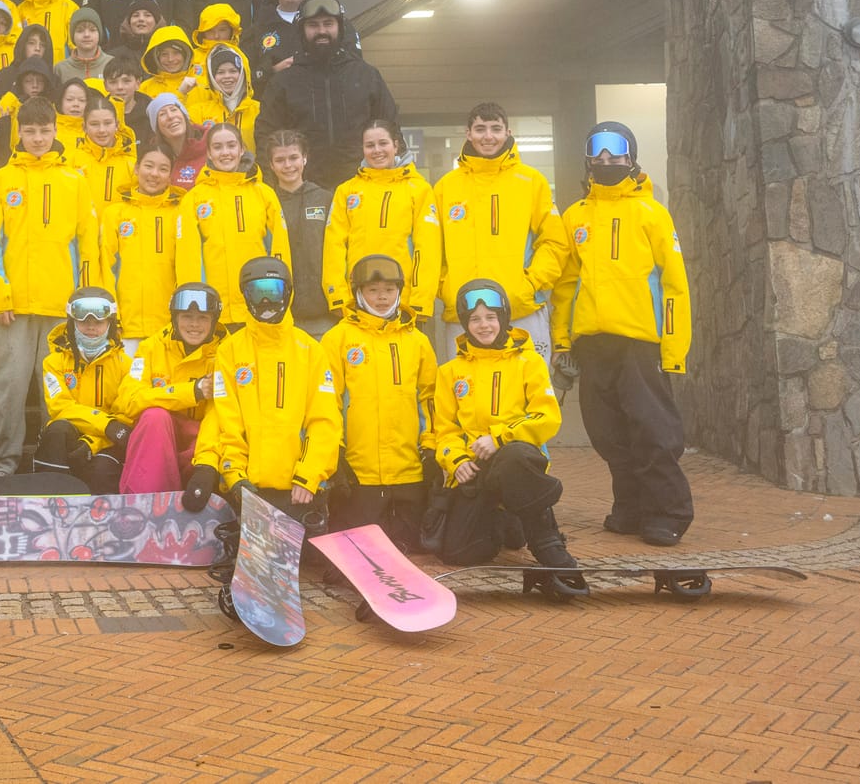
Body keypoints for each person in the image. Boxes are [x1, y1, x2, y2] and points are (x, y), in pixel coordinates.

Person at [550, 122, 694, 547]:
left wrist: (673, 348)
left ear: (631, 160)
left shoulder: (651, 213)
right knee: (608, 432)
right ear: (589, 161)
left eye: (617, 156)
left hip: (640, 342)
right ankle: (630, 507)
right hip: (593, 342)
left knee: (652, 429)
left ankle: (668, 512)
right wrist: (562, 342)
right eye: (600, 156)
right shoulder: (575, 217)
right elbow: (564, 287)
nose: (608, 163)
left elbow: (675, 285)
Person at [426, 278, 586, 595]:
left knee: (514, 457)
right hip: (476, 470)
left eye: (490, 317)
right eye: (474, 318)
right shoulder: (450, 373)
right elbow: (444, 431)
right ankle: (507, 519)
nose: (483, 325)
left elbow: (547, 417)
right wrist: (456, 460)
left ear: (503, 317)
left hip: (517, 459)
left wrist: (499, 438)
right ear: (464, 323)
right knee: (459, 552)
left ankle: (547, 540)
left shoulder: (529, 363)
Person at [0, 99, 103, 476]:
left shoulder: (74, 180)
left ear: (56, 131)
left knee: (57, 392)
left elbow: (87, 245)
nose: (37, 138)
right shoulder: (1, 180)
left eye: (44, 130)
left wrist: (84, 302)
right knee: (8, 390)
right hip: (11, 307)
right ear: (19, 133)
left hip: (62, 306)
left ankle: (55, 461)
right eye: (29, 131)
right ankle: (3, 462)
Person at [180, 258, 342, 539]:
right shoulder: (231, 350)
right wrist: (234, 476)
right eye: (257, 292)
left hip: (299, 490)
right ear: (245, 297)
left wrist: (310, 474)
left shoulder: (310, 350)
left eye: (274, 291)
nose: (266, 300)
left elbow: (325, 420)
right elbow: (226, 419)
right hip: (250, 489)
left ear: (288, 292)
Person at [320, 255, 437, 551]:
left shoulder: (417, 341)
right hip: (360, 474)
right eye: (373, 290)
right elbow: (325, 403)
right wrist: (335, 452)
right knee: (356, 552)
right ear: (358, 292)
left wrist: (431, 447)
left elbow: (430, 399)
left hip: (408, 471)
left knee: (412, 547)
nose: (382, 297)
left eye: (389, 289)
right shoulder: (337, 339)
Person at [432, 102, 568, 355]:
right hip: (463, 313)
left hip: (520, 310)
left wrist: (530, 284)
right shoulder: (445, 187)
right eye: (480, 129)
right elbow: (430, 248)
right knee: (464, 393)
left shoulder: (531, 181)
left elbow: (555, 242)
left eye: (496, 128)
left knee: (528, 391)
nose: (488, 136)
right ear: (468, 133)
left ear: (508, 132)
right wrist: (447, 288)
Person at [256, 0, 399, 188]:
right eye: (313, 25)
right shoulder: (283, 82)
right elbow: (266, 138)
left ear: (340, 28)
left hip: (363, 190)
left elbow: (392, 130)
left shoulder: (366, 76)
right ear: (302, 30)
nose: (321, 31)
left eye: (328, 24)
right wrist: (272, 187)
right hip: (302, 192)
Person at [323, 118, 439, 318]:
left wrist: (421, 300)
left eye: (383, 143)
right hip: (358, 300)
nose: (377, 150)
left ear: (395, 145)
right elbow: (334, 246)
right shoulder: (347, 191)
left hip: (404, 303)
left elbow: (428, 248)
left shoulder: (419, 189)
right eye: (370, 145)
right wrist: (338, 297)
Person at [119, 283, 227, 494]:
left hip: (201, 444)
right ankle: (144, 502)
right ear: (174, 318)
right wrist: (192, 391)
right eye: (187, 316)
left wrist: (206, 464)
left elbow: (218, 417)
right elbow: (128, 401)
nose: (194, 325)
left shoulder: (225, 353)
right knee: (154, 417)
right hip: (158, 442)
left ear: (214, 321)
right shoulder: (151, 347)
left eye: (203, 318)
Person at [177, 123, 290, 324]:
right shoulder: (194, 198)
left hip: (260, 304)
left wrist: (280, 294)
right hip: (214, 309)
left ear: (242, 149)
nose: (225, 152)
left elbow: (280, 248)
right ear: (209, 153)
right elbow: (187, 256)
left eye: (231, 145)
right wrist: (194, 302)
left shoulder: (263, 193)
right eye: (218, 147)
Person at [34, 288, 144, 493]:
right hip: (74, 433)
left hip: (106, 440)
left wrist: (91, 442)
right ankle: (47, 502)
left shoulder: (126, 365)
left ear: (110, 323)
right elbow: (60, 406)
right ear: (72, 322)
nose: (91, 327)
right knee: (56, 430)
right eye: (84, 322)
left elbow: (124, 413)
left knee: (101, 470)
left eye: (98, 322)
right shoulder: (53, 362)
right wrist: (105, 424)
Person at [99, 146, 180, 352]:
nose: (154, 174)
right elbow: (106, 267)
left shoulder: (180, 213)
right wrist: (110, 314)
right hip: (125, 327)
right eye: (148, 166)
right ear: (136, 169)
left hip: (168, 327)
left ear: (170, 175)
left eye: (163, 169)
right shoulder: (115, 214)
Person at [263, 131, 332, 334]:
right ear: (271, 164)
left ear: (305, 158)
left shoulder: (325, 199)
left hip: (323, 313)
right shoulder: (266, 202)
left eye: (293, 157)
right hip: (280, 315)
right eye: (280, 160)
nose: (288, 165)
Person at [249, 0, 315, 79]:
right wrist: (273, 71)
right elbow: (245, 79)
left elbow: (352, 66)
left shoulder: (328, 21)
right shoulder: (258, 30)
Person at [186, 44, 258, 153]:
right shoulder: (199, 111)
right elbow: (179, 135)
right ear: (212, 77)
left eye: (233, 71)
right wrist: (181, 94)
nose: (227, 76)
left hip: (252, 169)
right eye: (220, 72)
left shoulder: (258, 110)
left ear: (243, 74)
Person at [71, 93, 135, 205]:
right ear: (84, 127)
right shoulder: (72, 160)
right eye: (94, 124)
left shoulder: (131, 164)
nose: (101, 130)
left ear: (117, 125)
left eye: (107, 123)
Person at [145, 93, 209, 192]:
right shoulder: (152, 155)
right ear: (156, 127)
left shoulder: (211, 146)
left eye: (174, 109)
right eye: (162, 114)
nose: (170, 116)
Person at [55, 7, 110, 86]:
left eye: (92, 30)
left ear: (99, 33)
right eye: (80, 30)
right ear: (72, 35)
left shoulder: (111, 64)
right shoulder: (60, 69)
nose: (86, 35)